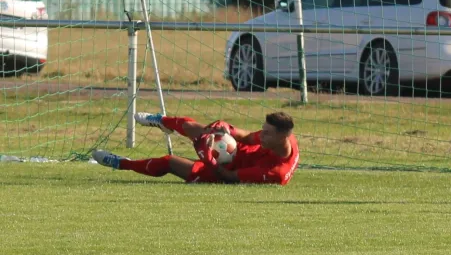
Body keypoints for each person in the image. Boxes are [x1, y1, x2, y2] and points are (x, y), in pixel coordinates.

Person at [92, 111, 299, 185]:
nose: (261, 135)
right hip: (236, 151)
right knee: (194, 127)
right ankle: (163, 121)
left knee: (168, 162)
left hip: (222, 173)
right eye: (263, 130)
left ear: (281, 137)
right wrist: (227, 128)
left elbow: (230, 177)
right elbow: (245, 137)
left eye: (267, 133)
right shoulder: (279, 139)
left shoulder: (274, 173)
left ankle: (121, 163)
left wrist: (208, 157)